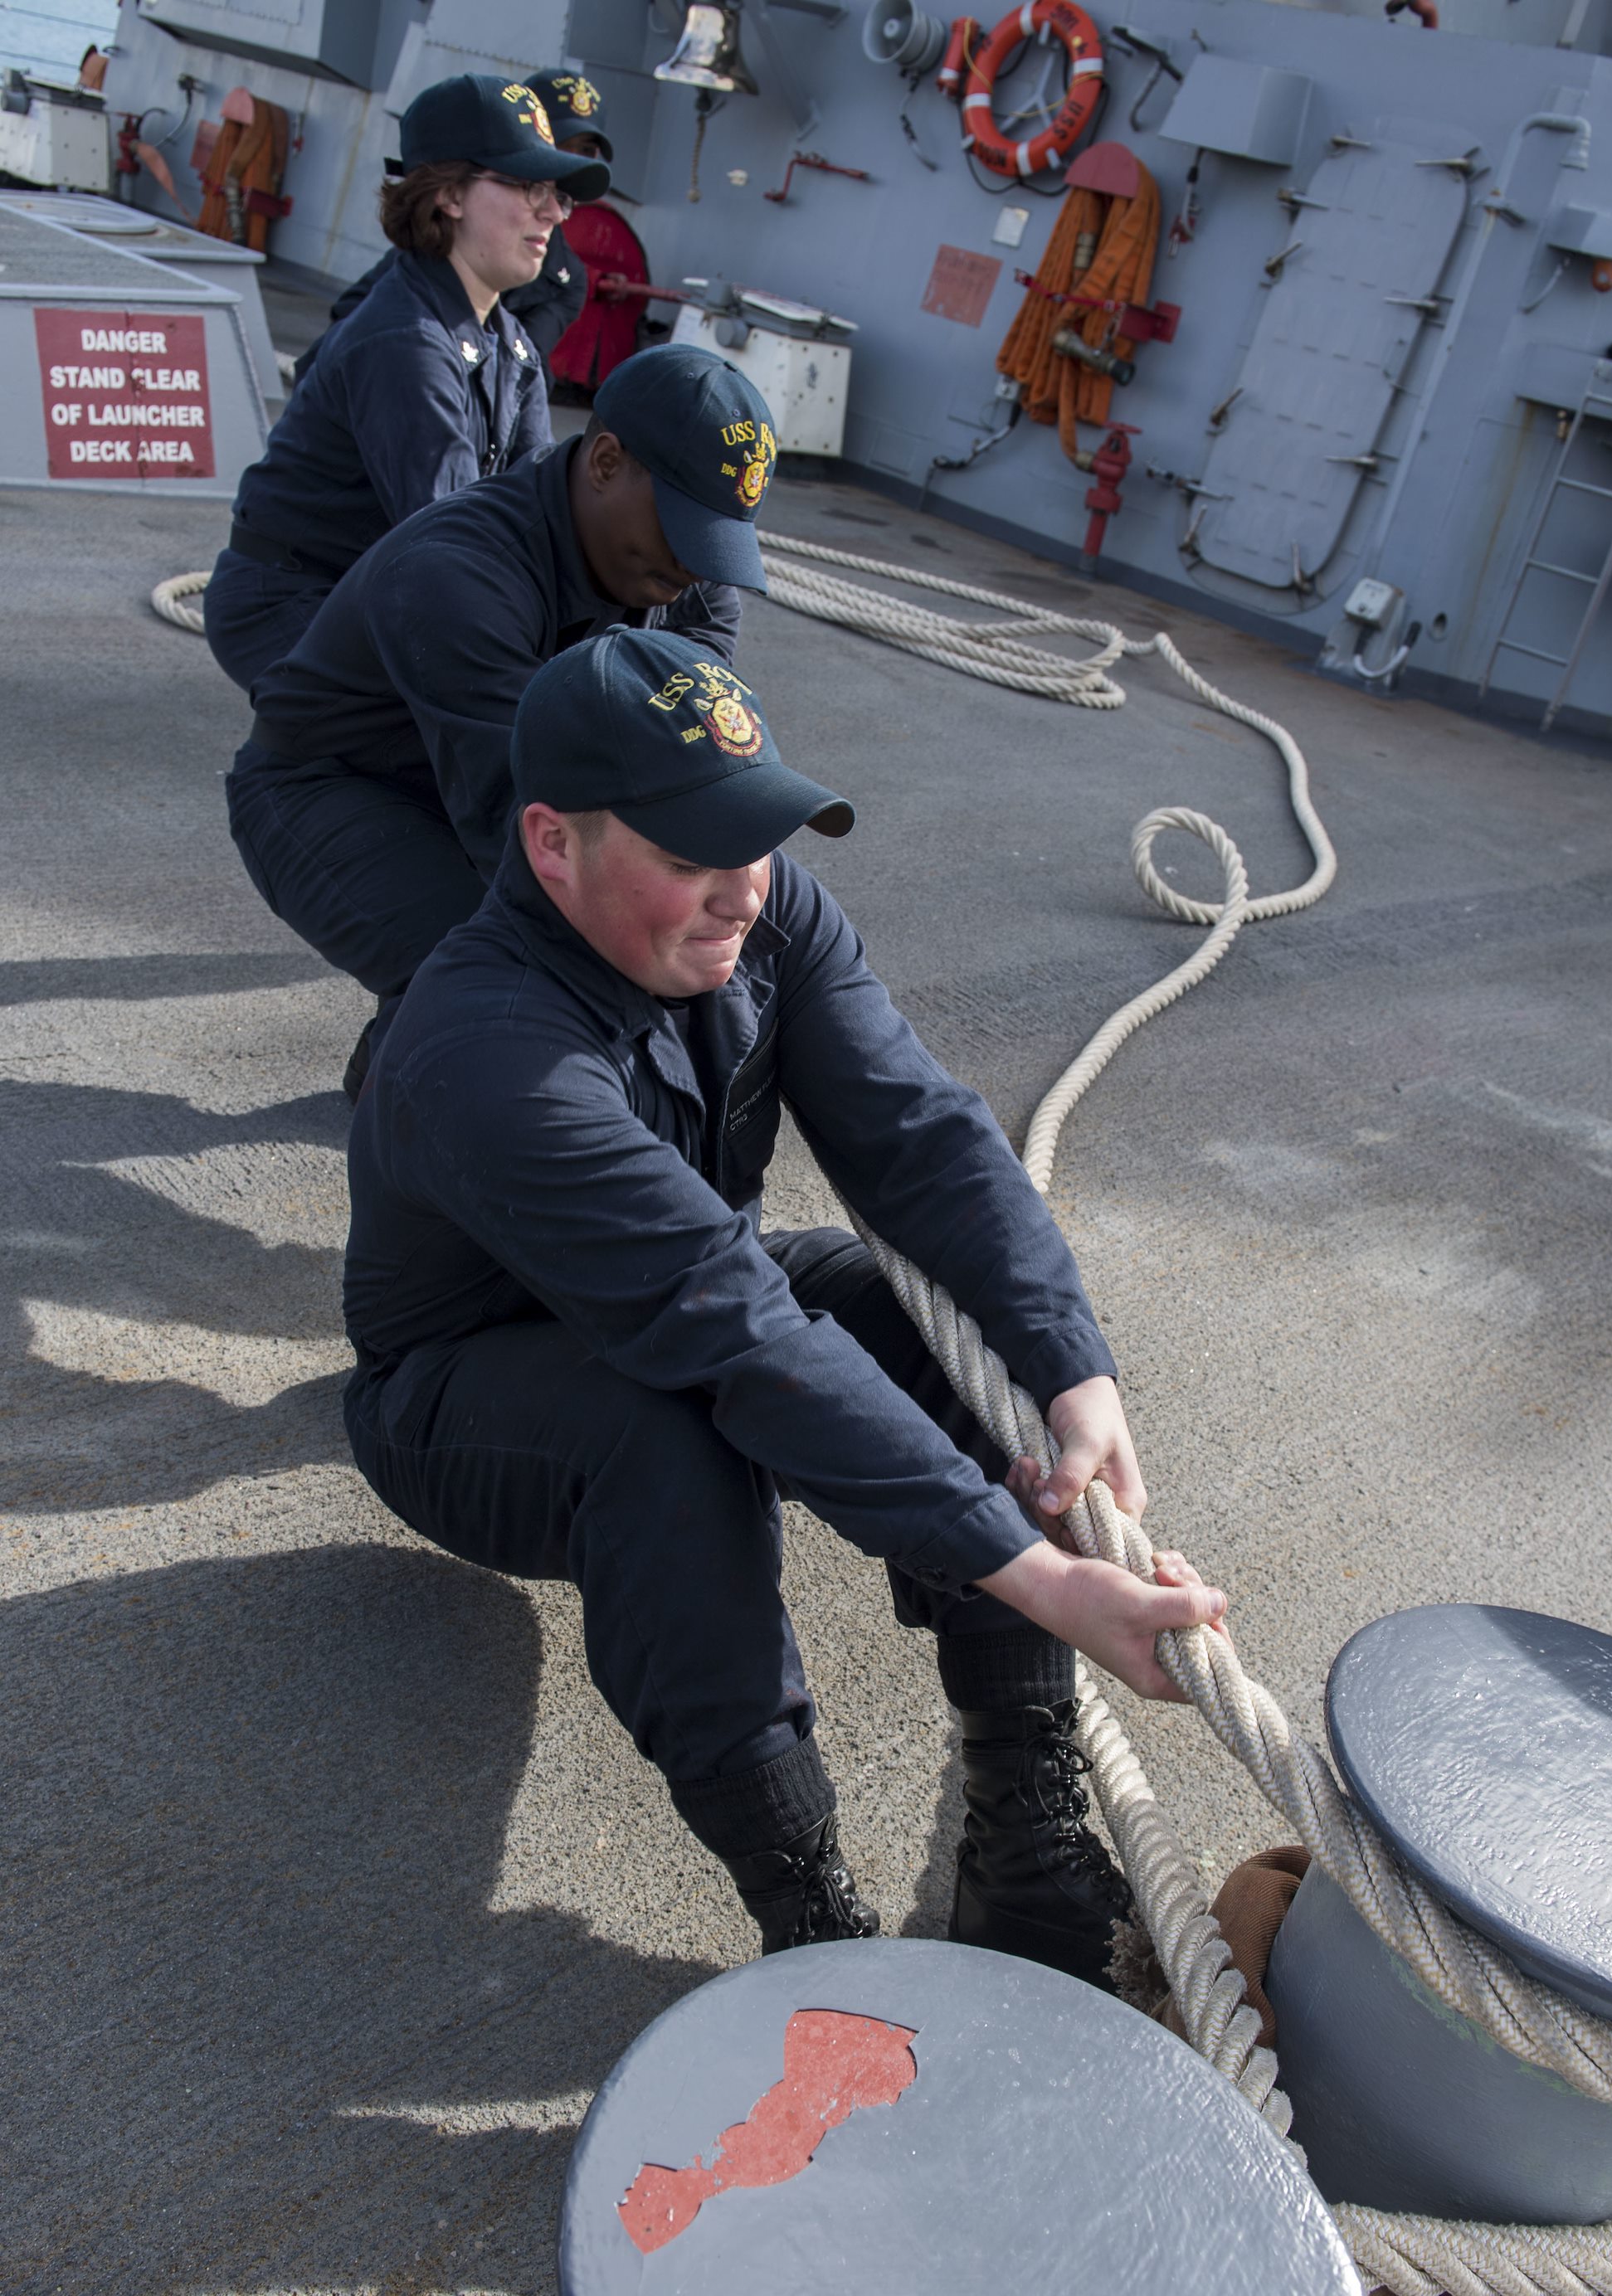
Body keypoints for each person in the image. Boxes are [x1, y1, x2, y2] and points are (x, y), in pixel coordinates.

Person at [341, 626, 1229, 1975]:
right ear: (551, 844)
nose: (740, 890)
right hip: (469, 1392)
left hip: (690, 1300)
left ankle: (1026, 1844)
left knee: (931, 1318)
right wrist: (1050, 1579)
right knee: (663, 1436)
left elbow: (922, 1139)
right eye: (687, 853)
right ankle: (806, 1908)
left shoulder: (767, 914)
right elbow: (731, 1330)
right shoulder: (483, 1052)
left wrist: (1068, 1367)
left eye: (752, 839)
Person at [226, 344, 771, 1099]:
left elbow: (696, 773)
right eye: (683, 525)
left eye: (715, 537)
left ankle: (402, 1067)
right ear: (606, 461)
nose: (696, 566)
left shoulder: (685, 573)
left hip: (468, 783)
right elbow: (525, 833)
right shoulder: (457, 570)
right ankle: (434, 1082)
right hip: (328, 792)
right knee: (517, 976)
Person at [201, 74, 610, 694]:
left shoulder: (510, 342)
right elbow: (454, 544)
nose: (554, 212)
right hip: (294, 601)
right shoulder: (407, 341)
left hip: (376, 586)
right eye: (529, 187)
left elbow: (537, 513)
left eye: (556, 193)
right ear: (448, 195)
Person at [313, 71, 616, 377]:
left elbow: (521, 368)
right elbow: (351, 322)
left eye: (586, 152)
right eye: (558, 141)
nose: (569, 160)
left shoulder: (567, 279)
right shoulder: (408, 320)